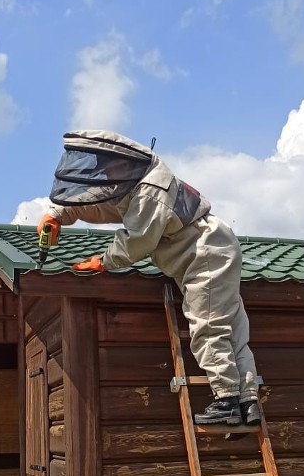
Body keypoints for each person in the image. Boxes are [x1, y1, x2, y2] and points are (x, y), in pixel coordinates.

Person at [37, 129, 260, 426]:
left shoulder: (151, 189)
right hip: (210, 249)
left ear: (125, 161)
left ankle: (228, 399)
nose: (105, 173)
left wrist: (104, 261)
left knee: (208, 327)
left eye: (109, 166)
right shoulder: (133, 186)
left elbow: (138, 240)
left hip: (205, 252)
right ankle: (248, 406)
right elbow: (101, 205)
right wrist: (58, 214)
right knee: (231, 330)